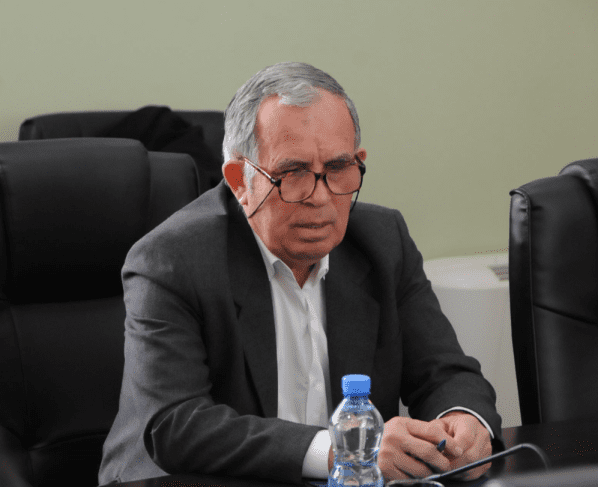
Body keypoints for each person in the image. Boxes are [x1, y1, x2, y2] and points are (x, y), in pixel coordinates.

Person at [99, 62, 502, 485]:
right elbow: (177, 424)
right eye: (292, 173)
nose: (320, 198)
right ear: (240, 181)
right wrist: (343, 450)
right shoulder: (172, 260)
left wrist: (463, 420)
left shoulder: (383, 242)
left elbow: (444, 373)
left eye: (338, 168)